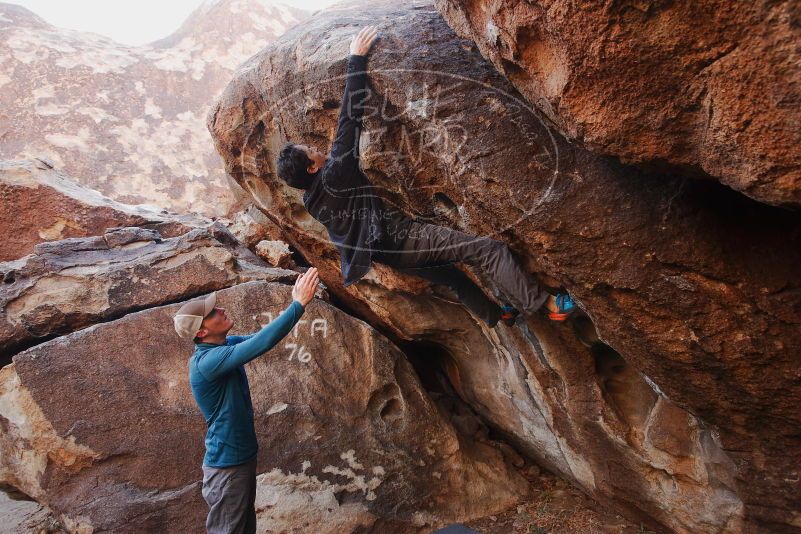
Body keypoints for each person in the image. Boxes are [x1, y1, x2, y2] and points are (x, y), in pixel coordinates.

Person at [275, 26, 575, 327]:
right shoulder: (335, 173)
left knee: (453, 278)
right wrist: (356, 59)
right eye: (311, 150)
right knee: (488, 250)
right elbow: (348, 121)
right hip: (402, 239)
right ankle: (546, 303)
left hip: (387, 253)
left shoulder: (312, 201)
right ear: (312, 168)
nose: (317, 148)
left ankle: (498, 313)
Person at [173, 267, 319, 534]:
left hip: (238, 461)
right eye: (212, 314)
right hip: (227, 467)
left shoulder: (222, 348)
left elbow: (262, 337)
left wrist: (295, 305)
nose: (221, 311)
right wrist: (298, 304)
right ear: (202, 332)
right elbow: (261, 343)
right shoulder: (208, 362)